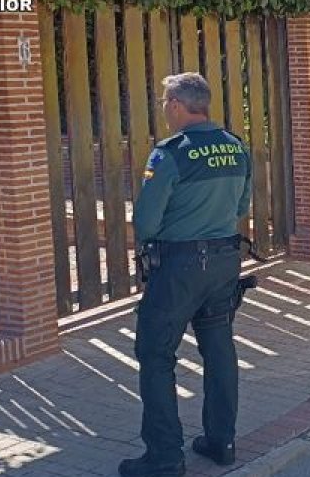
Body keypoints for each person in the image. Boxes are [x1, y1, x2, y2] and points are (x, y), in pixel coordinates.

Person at [119, 73, 252, 477]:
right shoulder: (235, 147)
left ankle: (164, 457)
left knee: (155, 353)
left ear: (176, 104)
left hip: (180, 268)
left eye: (164, 101)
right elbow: (242, 205)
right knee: (218, 350)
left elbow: (146, 221)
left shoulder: (170, 153)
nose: (163, 108)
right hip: (225, 262)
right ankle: (221, 441)